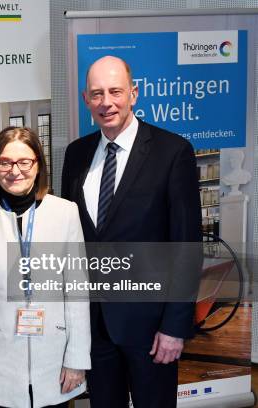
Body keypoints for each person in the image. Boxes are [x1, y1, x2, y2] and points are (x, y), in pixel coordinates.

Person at [61, 55, 201, 407]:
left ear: (134, 94)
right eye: (96, 94)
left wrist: (174, 326)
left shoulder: (172, 152)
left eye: (115, 91)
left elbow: (186, 246)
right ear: (85, 99)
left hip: (152, 330)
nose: (106, 102)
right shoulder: (76, 155)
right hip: (94, 327)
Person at [0, 127, 91, 408]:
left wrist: (77, 359)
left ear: (38, 164)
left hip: (54, 360)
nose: (14, 170)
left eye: (24, 162)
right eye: (5, 162)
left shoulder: (65, 213)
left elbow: (77, 292)